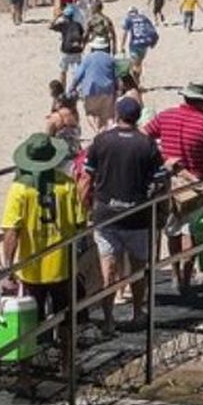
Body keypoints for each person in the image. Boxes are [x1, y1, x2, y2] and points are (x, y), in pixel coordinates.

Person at [81, 98, 164, 333]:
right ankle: (138, 312)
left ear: (117, 114)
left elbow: (87, 178)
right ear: (138, 117)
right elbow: (158, 181)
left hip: (106, 213)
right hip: (137, 214)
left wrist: (86, 206)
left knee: (108, 269)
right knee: (138, 268)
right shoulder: (147, 144)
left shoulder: (101, 141)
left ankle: (108, 319)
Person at [0, 134, 84, 350]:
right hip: (62, 265)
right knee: (66, 318)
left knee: (28, 322)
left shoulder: (19, 189)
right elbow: (80, 222)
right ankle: (67, 363)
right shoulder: (67, 185)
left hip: (30, 268)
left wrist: (8, 265)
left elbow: (11, 231)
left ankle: (27, 375)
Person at [144, 84, 203, 293]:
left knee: (172, 231)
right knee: (190, 231)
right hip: (196, 184)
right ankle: (186, 278)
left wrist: (164, 158)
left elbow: (145, 137)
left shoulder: (165, 116)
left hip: (169, 183)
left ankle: (175, 274)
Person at [69, 36, 119, 133]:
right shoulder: (111, 59)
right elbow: (116, 76)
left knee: (90, 113)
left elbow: (78, 75)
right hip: (108, 89)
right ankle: (108, 132)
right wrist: (118, 89)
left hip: (91, 89)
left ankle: (97, 131)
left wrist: (72, 87)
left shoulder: (88, 58)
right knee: (108, 115)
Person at [51, 5, 87, 87]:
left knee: (63, 71)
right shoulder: (78, 25)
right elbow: (82, 35)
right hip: (77, 50)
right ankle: (77, 89)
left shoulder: (63, 24)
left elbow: (50, 26)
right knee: (78, 71)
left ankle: (63, 90)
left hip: (66, 50)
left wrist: (56, 17)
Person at [121, 6, 159, 81]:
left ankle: (135, 82)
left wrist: (122, 45)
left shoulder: (129, 19)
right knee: (139, 63)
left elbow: (125, 33)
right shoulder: (144, 18)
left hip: (135, 44)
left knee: (134, 64)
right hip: (144, 44)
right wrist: (153, 43)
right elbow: (153, 30)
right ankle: (137, 82)